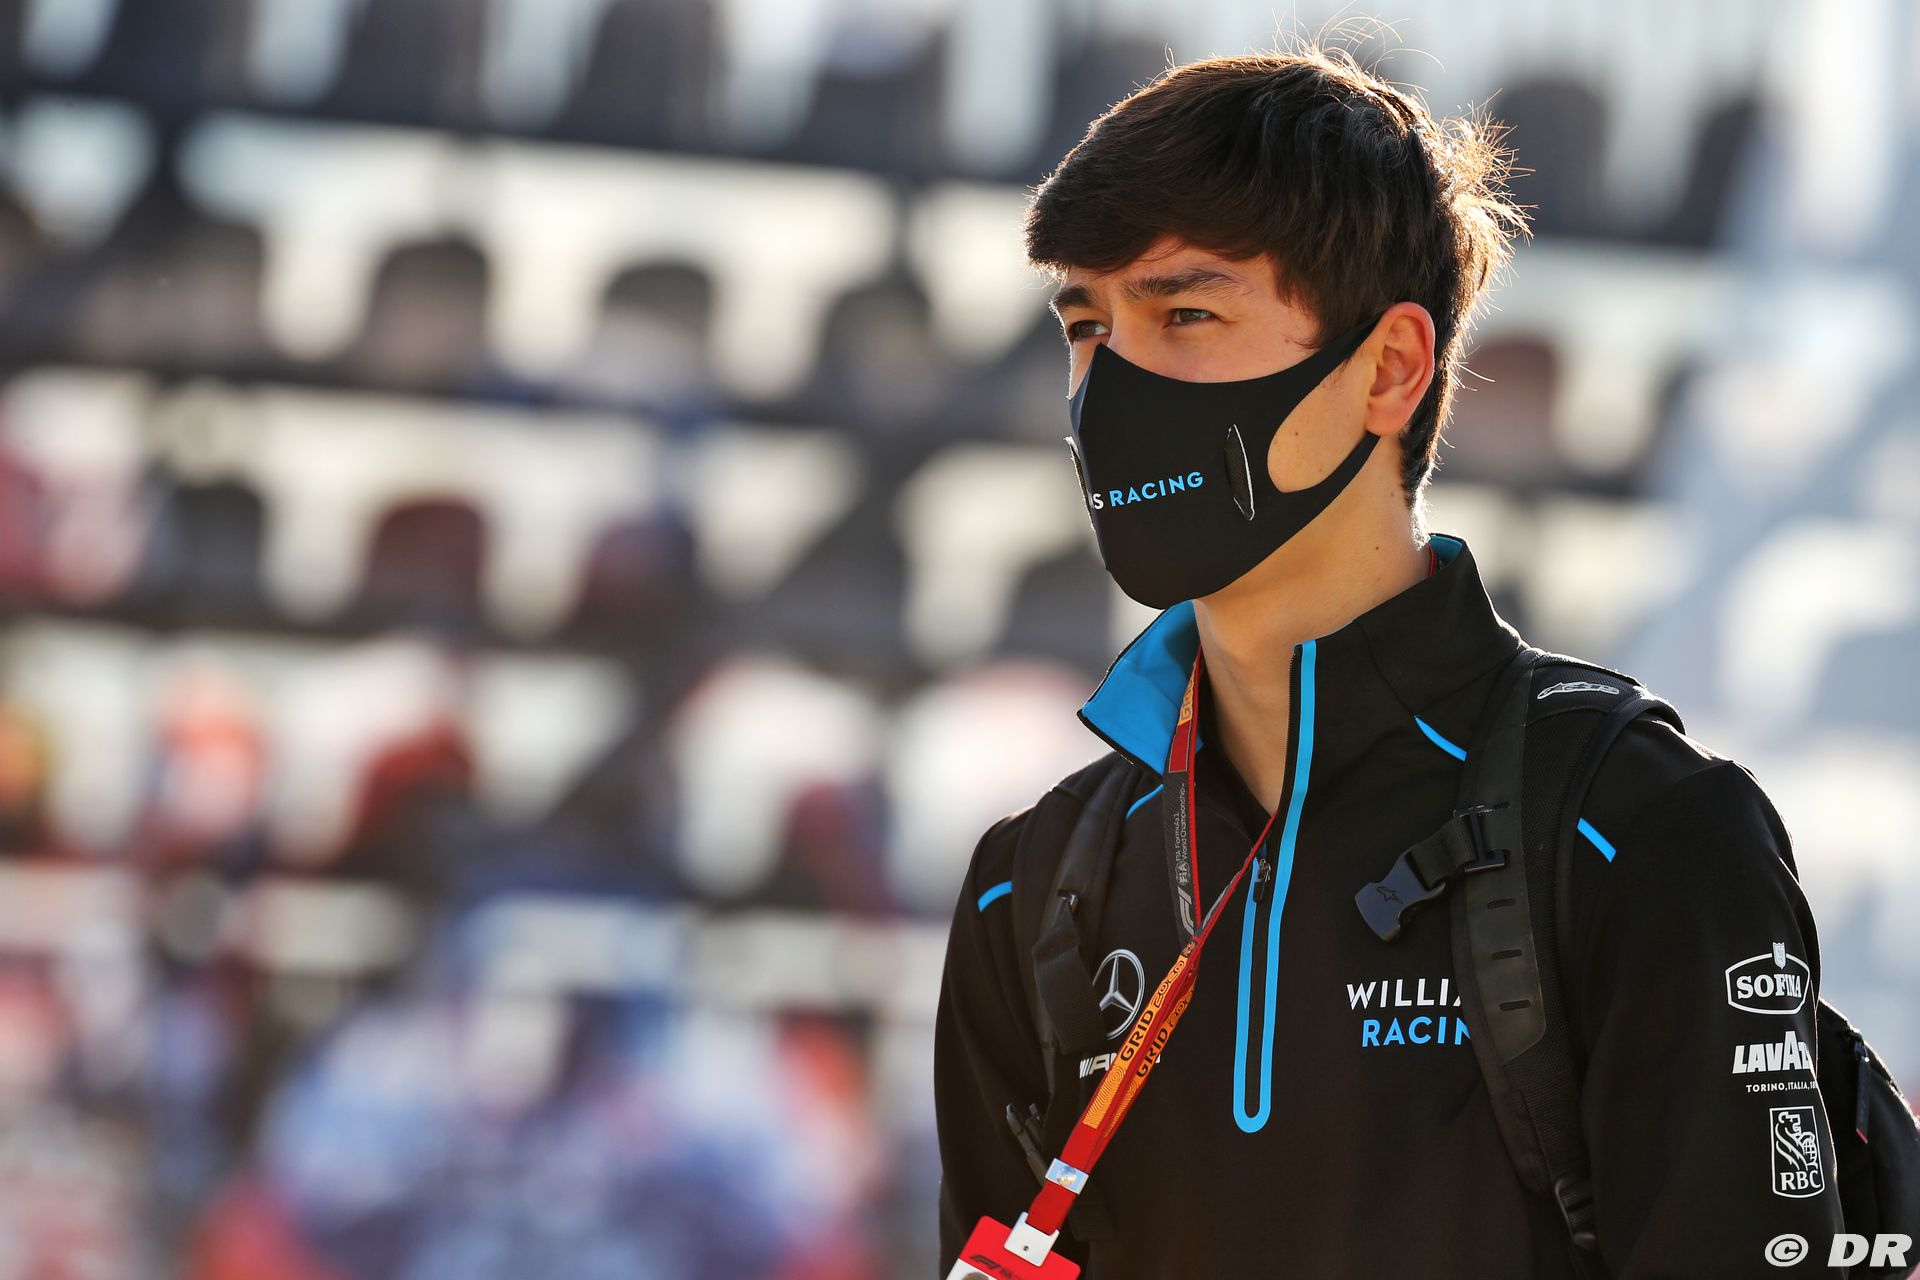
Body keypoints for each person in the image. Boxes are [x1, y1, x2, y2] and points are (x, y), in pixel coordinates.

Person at [932, 40, 1846, 1279]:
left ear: (1391, 368)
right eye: (1088, 327)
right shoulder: (1031, 885)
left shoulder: (1638, 831)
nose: (1110, 385)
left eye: (1186, 314)